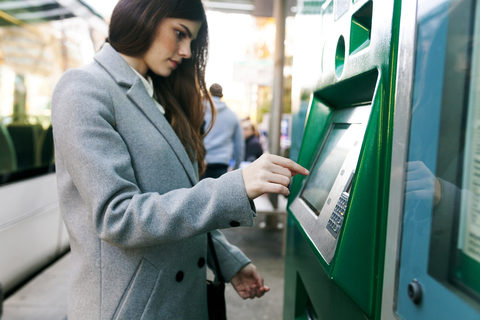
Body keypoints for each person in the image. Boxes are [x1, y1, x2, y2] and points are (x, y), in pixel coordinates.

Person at [51, 0, 309, 319]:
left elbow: (176, 195)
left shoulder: (154, 92)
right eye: (179, 33)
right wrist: (235, 187)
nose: (186, 51)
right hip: (130, 307)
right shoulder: (84, 88)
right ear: (144, 16)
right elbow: (117, 217)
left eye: (191, 40)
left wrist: (228, 260)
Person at [202, 83, 244, 179]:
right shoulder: (232, 115)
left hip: (201, 162)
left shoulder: (199, 111)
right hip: (222, 163)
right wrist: (236, 166)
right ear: (221, 95)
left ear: (209, 93)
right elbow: (239, 145)